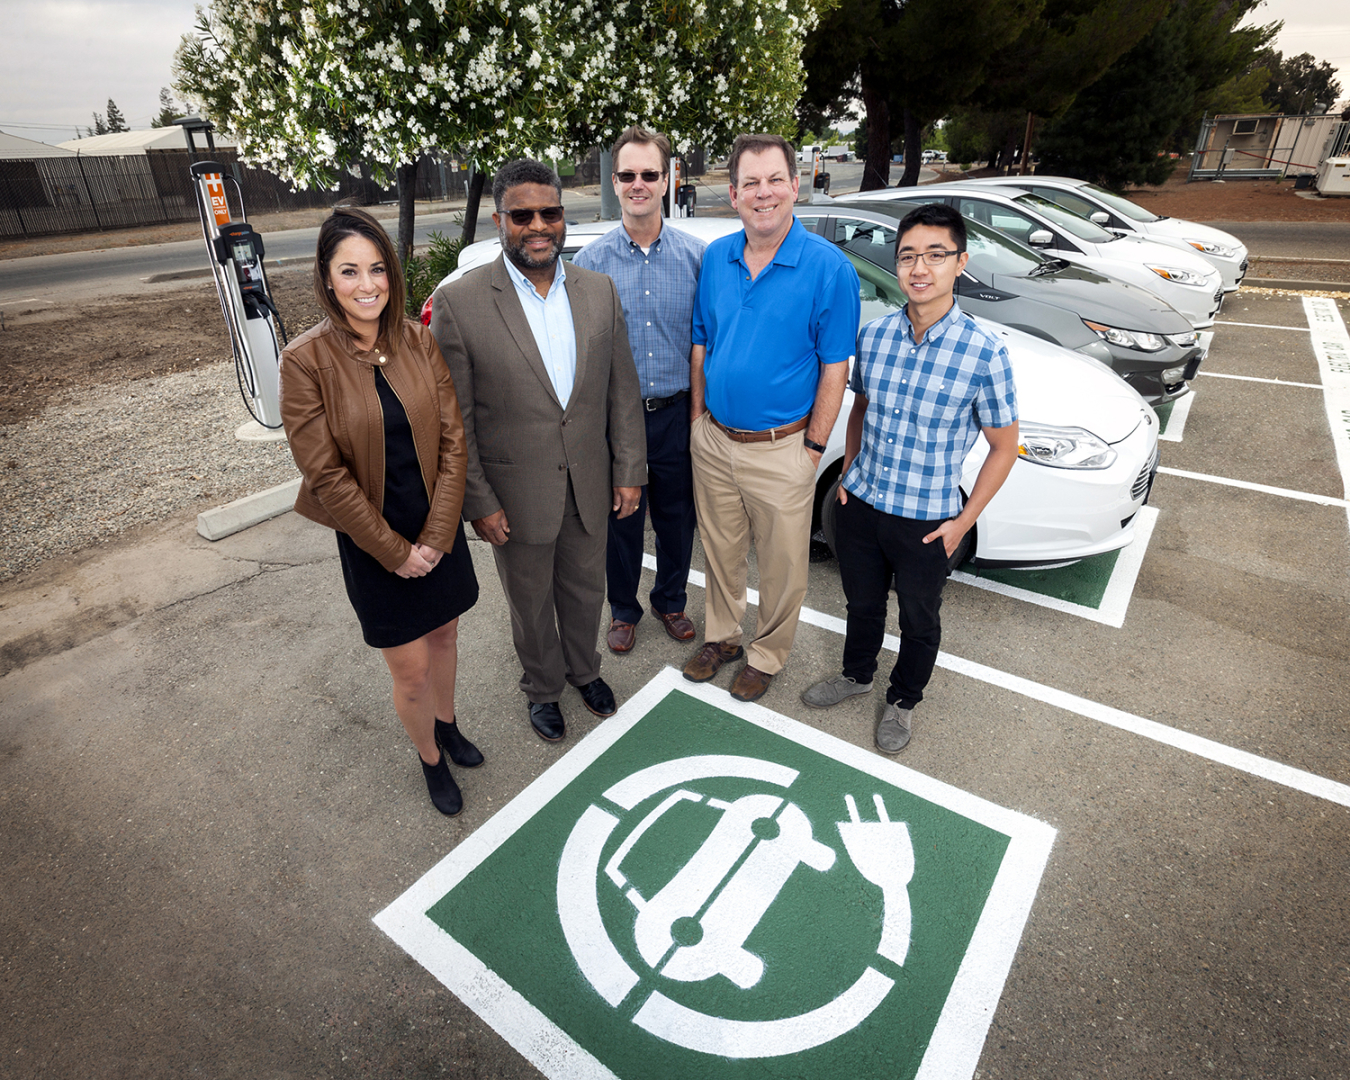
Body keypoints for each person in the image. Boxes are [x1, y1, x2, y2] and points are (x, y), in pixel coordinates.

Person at [429, 159, 646, 743]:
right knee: (530, 603)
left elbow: (621, 391)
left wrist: (629, 471)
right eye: (522, 215)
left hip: (591, 482)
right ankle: (543, 688)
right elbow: (456, 420)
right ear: (500, 219)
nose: (538, 225)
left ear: (562, 217)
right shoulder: (461, 302)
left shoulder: (598, 292)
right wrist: (479, 499)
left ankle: (585, 672)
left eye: (550, 213)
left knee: (585, 590)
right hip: (514, 493)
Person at [280, 207, 482, 817]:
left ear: (392, 276)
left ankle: (447, 725)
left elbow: (453, 440)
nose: (366, 285)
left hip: (436, 527)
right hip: (374, 542)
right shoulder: (304, 361)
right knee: (412, 669)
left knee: (446, 632)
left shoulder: (418, 341)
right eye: (350, 271)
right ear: (327, 277)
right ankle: (429, 757)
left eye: (377, 270)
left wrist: (438, 534)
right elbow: (324, 475)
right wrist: (397, 553)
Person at [800, 202, 1019, 753]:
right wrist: (848, 475)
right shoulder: (873, 339)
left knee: (920, 620)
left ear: (960, 262)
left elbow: (1003, 447)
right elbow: (860, 409)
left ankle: (903, 699)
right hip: (863, 508)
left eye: (935, 255)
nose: (920, 268)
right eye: (908, 257)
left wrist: (963, 523)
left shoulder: (986, 353)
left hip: (928, 522)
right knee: (862, 604)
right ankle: (857, 674)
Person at [682, 132, 861, 703]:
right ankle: (724, 638)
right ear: (733, 194)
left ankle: (766, 654)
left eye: (774, 180)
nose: (764, 194)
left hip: (783, 447)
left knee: (783, 566)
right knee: (720, 551)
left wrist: (812, 450)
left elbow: (836, 367)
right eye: (751, 183)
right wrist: (696, 423)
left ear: (795, 185)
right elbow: (701, 345)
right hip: (713, 440)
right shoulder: (715, 258)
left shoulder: (829, 269)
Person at [572, 126, 705, 655]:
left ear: (668, 178)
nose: (638, 184)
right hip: (617, 419)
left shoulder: (699, 258)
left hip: (677, 413)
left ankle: (671, 601)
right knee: (620, 519)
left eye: (650, 174)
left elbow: (709, 342)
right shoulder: (590, 264)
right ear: (615, 180)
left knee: (677, 518)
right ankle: (623, 610)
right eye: (627, 175)